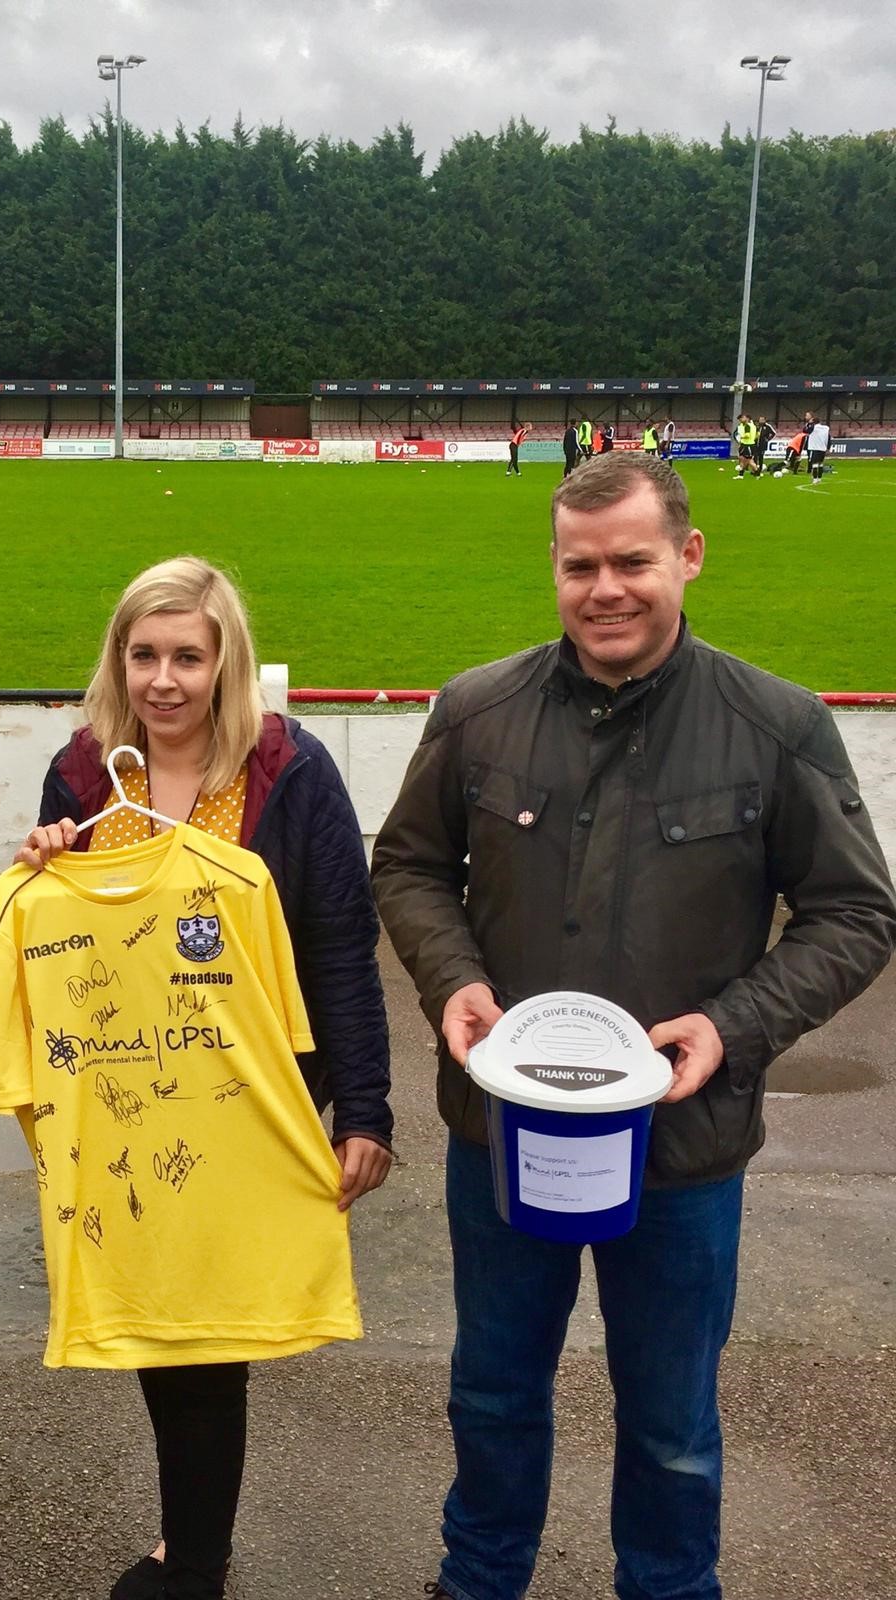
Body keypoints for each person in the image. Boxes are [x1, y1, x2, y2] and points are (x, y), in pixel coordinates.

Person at [371, 451, 896, 1600]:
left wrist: (731, 1024)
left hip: (683, 1146)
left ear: (687, 557)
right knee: (494, 1386)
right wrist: (451, 976)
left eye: (631, 563)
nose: (605, 589)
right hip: (502, 1135)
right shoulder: (477, 710)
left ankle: (667, 1587)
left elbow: (855, 911)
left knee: (669, 1416)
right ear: (553, 570)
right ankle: (479, 1580)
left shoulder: (777, 725)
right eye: (579, 566)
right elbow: (407, 865)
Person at [8, 555, 393, 1600]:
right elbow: (63, 921)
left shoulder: (289, 771)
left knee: (205, 1333)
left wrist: (365, 1104)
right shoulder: (85, 770)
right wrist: (43, 858)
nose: (164, 679)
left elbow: (340, 945)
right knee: (161, 1319)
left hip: (250, 1095)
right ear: (118, 658)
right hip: (125, 1092)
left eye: (188, 654)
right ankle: (191, 1545)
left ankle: (198, 1560)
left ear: (226, 659)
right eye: (144, 654)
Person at [807, 414, 831, 482]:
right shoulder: (826, 428)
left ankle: (814, 479)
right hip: (823, 448)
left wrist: (809, 423)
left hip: (814, 448)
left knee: (814, 464)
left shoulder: (813, 428)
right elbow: (829, 438)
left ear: (813, 422)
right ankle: (819, 478)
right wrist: (828, 448)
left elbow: (806, 430)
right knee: (820, 464)